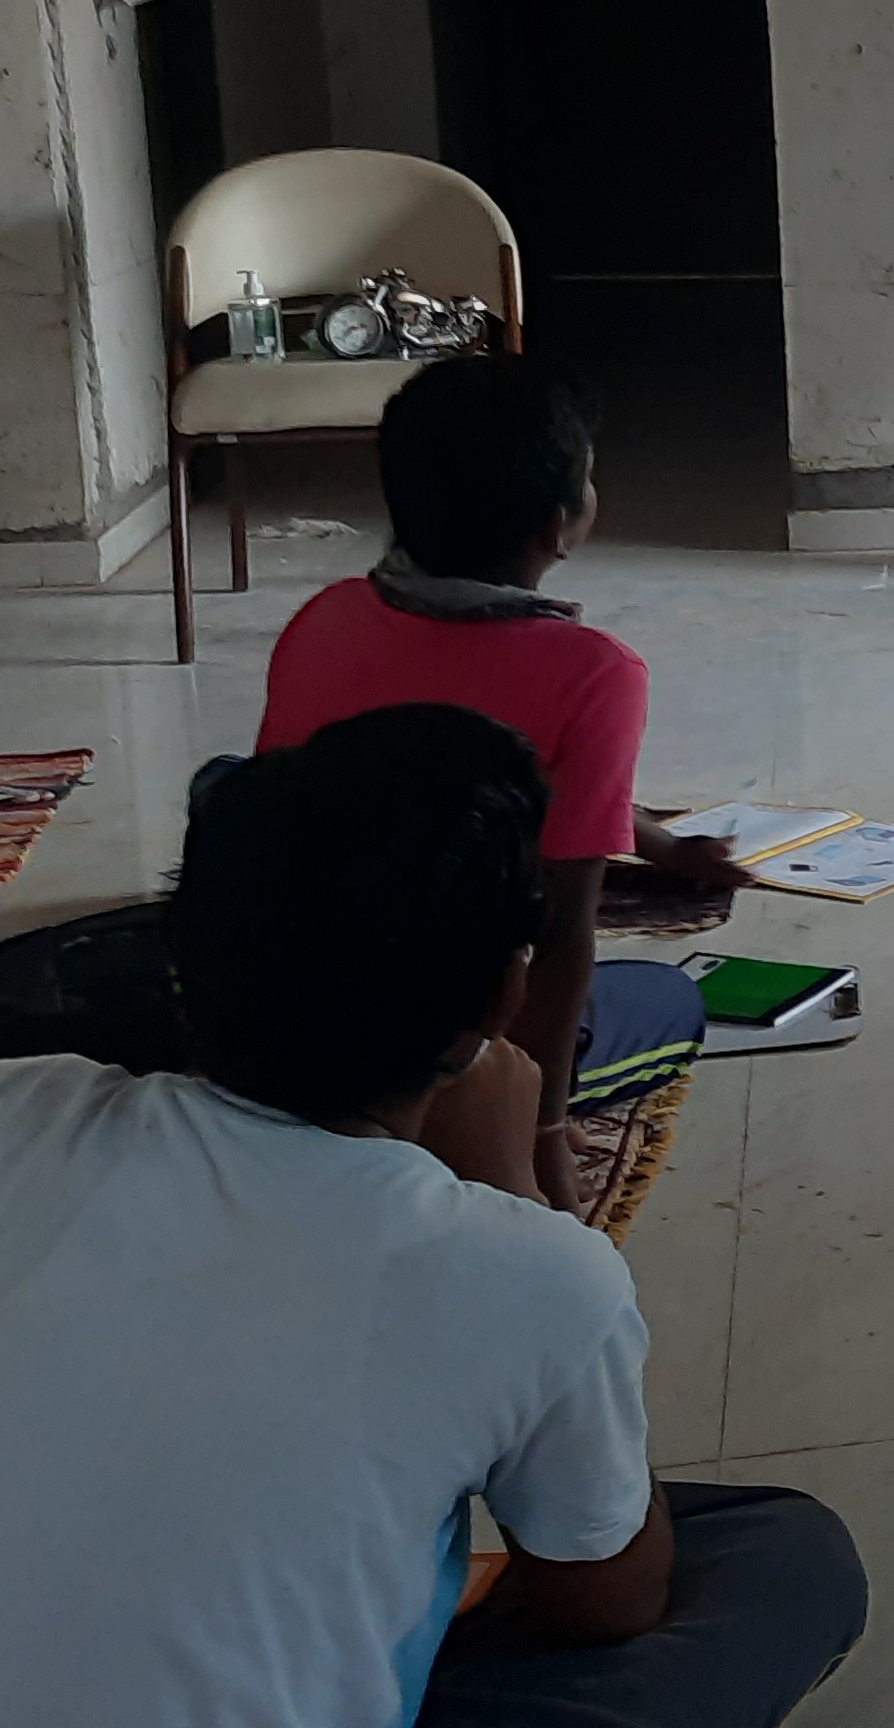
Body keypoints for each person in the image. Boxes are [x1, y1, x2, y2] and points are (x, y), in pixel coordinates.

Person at [0, 706, 869, 1723]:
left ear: (179, 967)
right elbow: (604, 1602)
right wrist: (514, 1196)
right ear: (501, 1000)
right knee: (776, 1551)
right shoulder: (527, 1269)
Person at [258, 354, 732, 1211]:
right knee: (668, 1001)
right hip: (438, 1042)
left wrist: (658, 845)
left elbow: (441, 754)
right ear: (560, 526)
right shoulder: (595, 673)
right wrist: (540, 1131)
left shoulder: (324, 618)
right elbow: (562, 934)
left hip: (291, 1006)